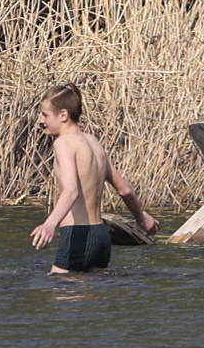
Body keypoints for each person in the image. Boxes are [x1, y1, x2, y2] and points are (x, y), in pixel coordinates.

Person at [28, 84, 156, 274]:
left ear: (63, 115)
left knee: (61, 293)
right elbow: (124, 190)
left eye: (45, 115)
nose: (41, 120)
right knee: (90, 299)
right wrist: (141, 218)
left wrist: (49, 224)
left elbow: (71, 190)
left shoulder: (64, 143)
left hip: (78, 234)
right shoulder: (93, 143)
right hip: (101, 237)